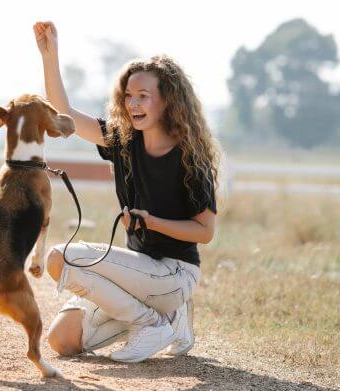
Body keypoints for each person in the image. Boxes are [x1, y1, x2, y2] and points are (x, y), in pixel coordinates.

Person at [33, 21, 220, 363]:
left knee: (59, 258)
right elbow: (65, 115)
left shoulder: (191, 157)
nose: (133, 103)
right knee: (62, 341)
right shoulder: (122, 141)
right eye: (128, 96)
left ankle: (151, 321)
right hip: (139, 275)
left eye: (143, 96)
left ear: (167, 101)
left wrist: (152, 221)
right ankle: (169, 322)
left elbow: (205, 232)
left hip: (175, 274)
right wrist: (50, 55)